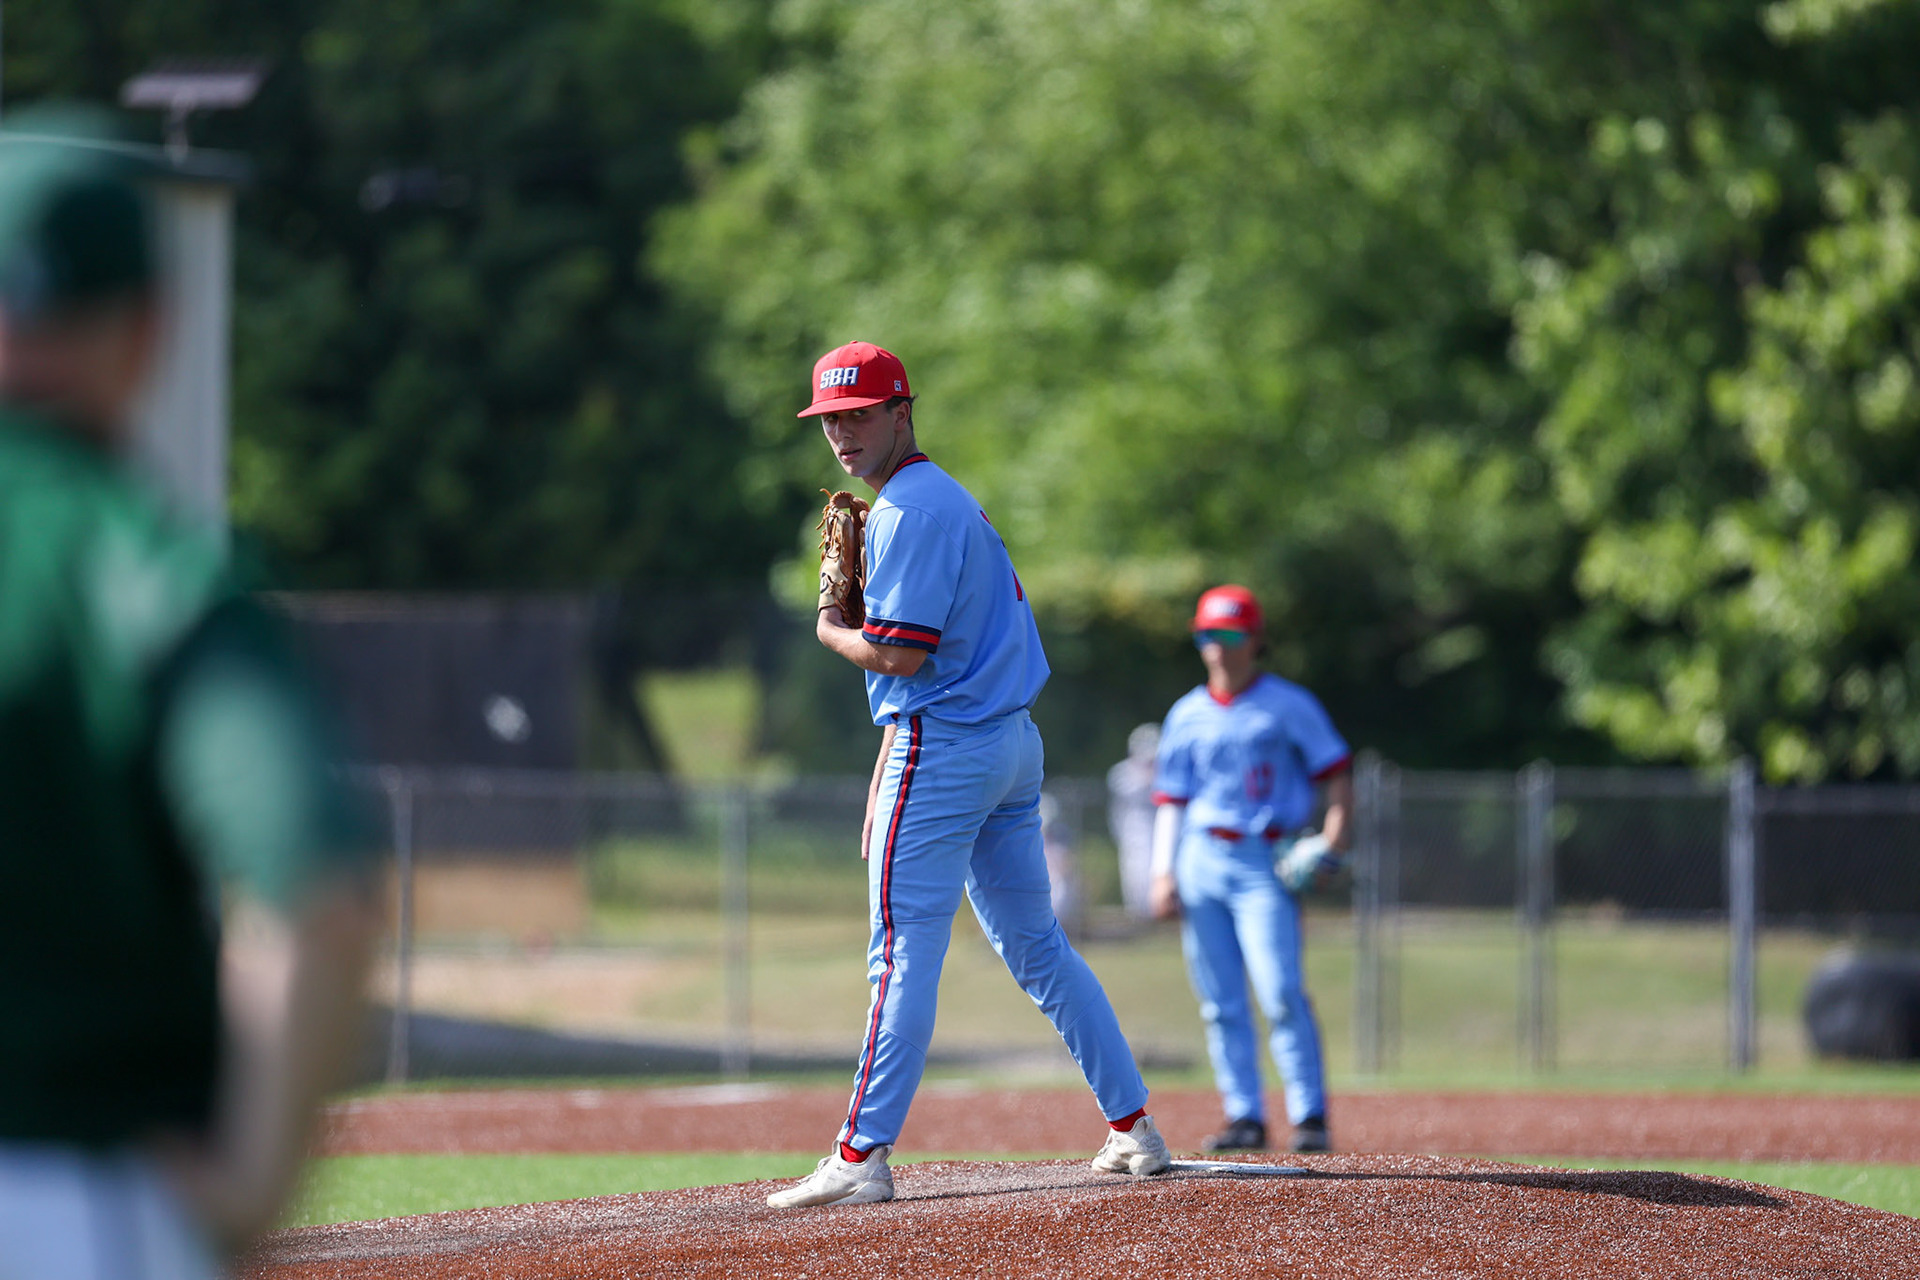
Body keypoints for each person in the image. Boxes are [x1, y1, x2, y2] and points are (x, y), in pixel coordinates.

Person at [0, 113, 377, 1276]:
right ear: (149, 330)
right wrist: (251, 1182)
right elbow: (315, 892)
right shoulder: (146, 570)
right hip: (71, 1193)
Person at [768, 341, 1169, 1208]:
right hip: (1009, 745)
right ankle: (1134, 1128)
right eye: (830, 417)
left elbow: (901, 658)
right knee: (1038, 947)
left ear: (902, 411)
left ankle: (860, 1152)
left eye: (859, 412)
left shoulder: (906, 512)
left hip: (945, 747)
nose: (841, 432)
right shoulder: (944, 497)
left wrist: (830, 623)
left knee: (901, 952)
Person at [1149, 585, 1352, 1154]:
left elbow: (1337, 771)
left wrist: (1332, 843)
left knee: (1281, 989)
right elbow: (1172, 799)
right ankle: (1245, 1114)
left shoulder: (1287, 704)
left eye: (1230, 634)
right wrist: (1161, 872)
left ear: (1255, 640)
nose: (1218, 646)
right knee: (1219, 1000)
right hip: (1201, 859)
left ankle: (1308, 1114)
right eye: (1208, 635)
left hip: (1265, 859)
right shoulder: (1186, 713)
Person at [1106, 723, 1161, 919]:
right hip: (1134, 829)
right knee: (1135, 874)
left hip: (1158, 826)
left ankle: (1160, 914)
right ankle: (1139, 916)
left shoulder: (1163, 772)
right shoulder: (1122, 773)